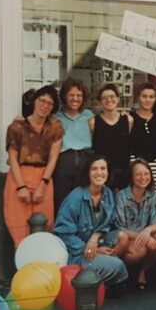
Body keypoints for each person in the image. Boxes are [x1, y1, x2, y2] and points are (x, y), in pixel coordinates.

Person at [53, 154, 129, 288]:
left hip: (97, 241)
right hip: (76, 252)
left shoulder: (108, 193)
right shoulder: (75, 197)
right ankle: (92, 278)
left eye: (103, 168)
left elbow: (109, 223)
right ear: (87, 173)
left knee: (122, 237)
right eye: (94, 169)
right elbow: (63, 234)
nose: (99, 173)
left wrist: (95, 238)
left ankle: (101, 274)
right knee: (118, 266)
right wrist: (91, 249)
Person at [4, 86, 63, 247]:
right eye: (42, 100)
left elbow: (53, 158)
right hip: (19, 176)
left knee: (43, 227)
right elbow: (13, 158)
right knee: (19, 230)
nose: (45, 105)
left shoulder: (55, 127)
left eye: (50, 103)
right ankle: (22, 269)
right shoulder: (17, 127)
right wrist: (20, 186)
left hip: (43, 176)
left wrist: (43, 184)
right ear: (34, 101)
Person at [114, 159, 156, 289]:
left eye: (146, 173)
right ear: (131, 177)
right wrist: (141, 237)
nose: (143, 178)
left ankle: (143, 271)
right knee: (139, 251)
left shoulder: (152, 195)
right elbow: (119, 227)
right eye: (138, 174)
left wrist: (148, 231)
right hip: (126, 238)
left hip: (143, 235)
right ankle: (124, 274)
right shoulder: (121, 196)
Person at [53, 77, 94, 212]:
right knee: (62, 199)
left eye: (79, 95)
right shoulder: (56, 118)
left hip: (85, 159)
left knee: (83, 199)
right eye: (71, 95)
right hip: (64, 161)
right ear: (64, 96)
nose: (75, 99)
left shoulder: (89, 116)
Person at [89, 84, 133, 191]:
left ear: (118, 99)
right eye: (105, 98)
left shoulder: (128, 120)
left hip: (123, 173)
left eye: (112, 96)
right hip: (102, 174)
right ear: (100, 101)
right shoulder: (93, 122)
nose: (109, 100)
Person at [129, 83, 156, 194]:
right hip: (135, 161)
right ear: (138, 98)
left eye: (151, 97)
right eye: (144, 96)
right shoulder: (129, 118)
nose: (147, 100)